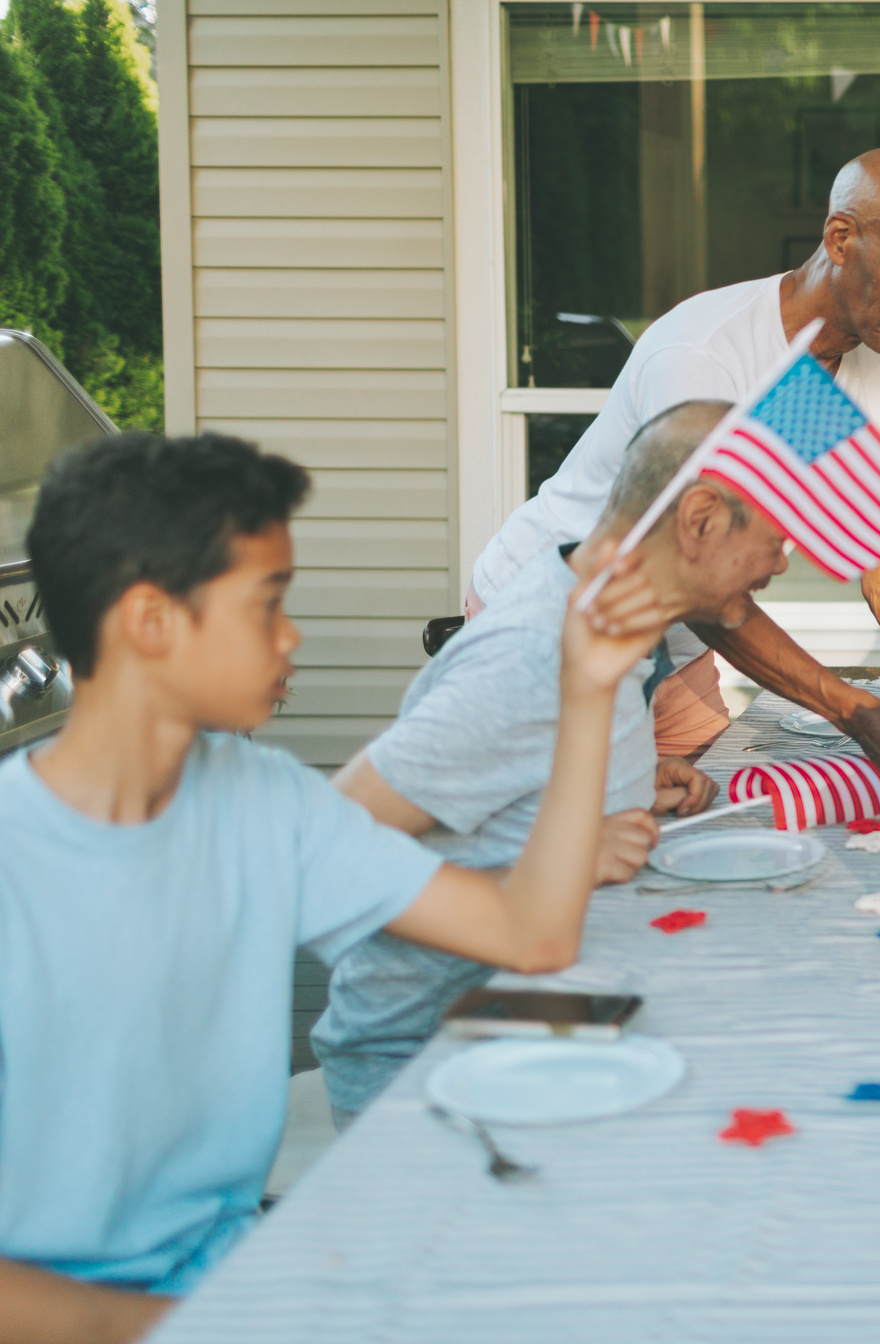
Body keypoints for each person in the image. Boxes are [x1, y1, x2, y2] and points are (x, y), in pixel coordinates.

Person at [0, 432, 665, 1340]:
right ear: (151, 621)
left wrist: (587, 689)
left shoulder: (263, 800)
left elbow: (530, 936)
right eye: (267, 604)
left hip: (238, 1273)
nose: (292, 636)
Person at [475, 146, 880, 814]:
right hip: (550, 630)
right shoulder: (708, 354)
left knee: (699, 829)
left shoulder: (871, 381)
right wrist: (854, 709)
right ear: (841, 238)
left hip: (667, 646)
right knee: (558, 858)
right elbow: (698, 580)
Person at [312, 401, 784, 1124]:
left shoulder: (611, 616)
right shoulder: (528, 657)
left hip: (541, 1016)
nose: (783, 564)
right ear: (700, 521)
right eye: (775, 540)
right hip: (427, 1065)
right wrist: (567, 856)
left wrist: (624, 787)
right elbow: (323, 845)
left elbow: (510, 774)